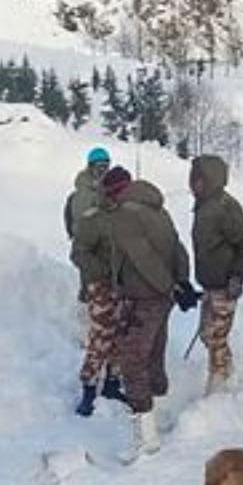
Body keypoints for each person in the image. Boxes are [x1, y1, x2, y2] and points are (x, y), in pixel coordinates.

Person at [70, 165, 194, 463]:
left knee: (131, 359)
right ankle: (159, 414)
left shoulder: (126, 215)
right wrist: (181, 281)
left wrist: (170, 286)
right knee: (153, 353)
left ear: (115, 192)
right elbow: (178, 248)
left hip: (144, 296)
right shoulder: (157, 211)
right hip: (160, 296)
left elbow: (144, 259)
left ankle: (147, 441)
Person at [188, 155, 243, 394]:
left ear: (210, 180)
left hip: (226, 285)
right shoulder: (204, 205)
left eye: (199, 180)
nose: (194, 184)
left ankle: (219, 384)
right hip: (210, 284)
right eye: (192, 179)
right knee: (208, 335)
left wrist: (237, 276)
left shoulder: (225, 207)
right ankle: (227, 368)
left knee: (216, 336)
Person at [66, 146, 127, 415]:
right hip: (99, 280)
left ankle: (113, 383)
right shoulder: (83, 200)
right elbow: (77, 244)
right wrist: (97, 272)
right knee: (100, 336)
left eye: (105, 164)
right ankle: (89, 389)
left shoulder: (118, 204)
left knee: (119, 335)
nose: (101, 168)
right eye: (97, 164)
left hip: (121, 280)